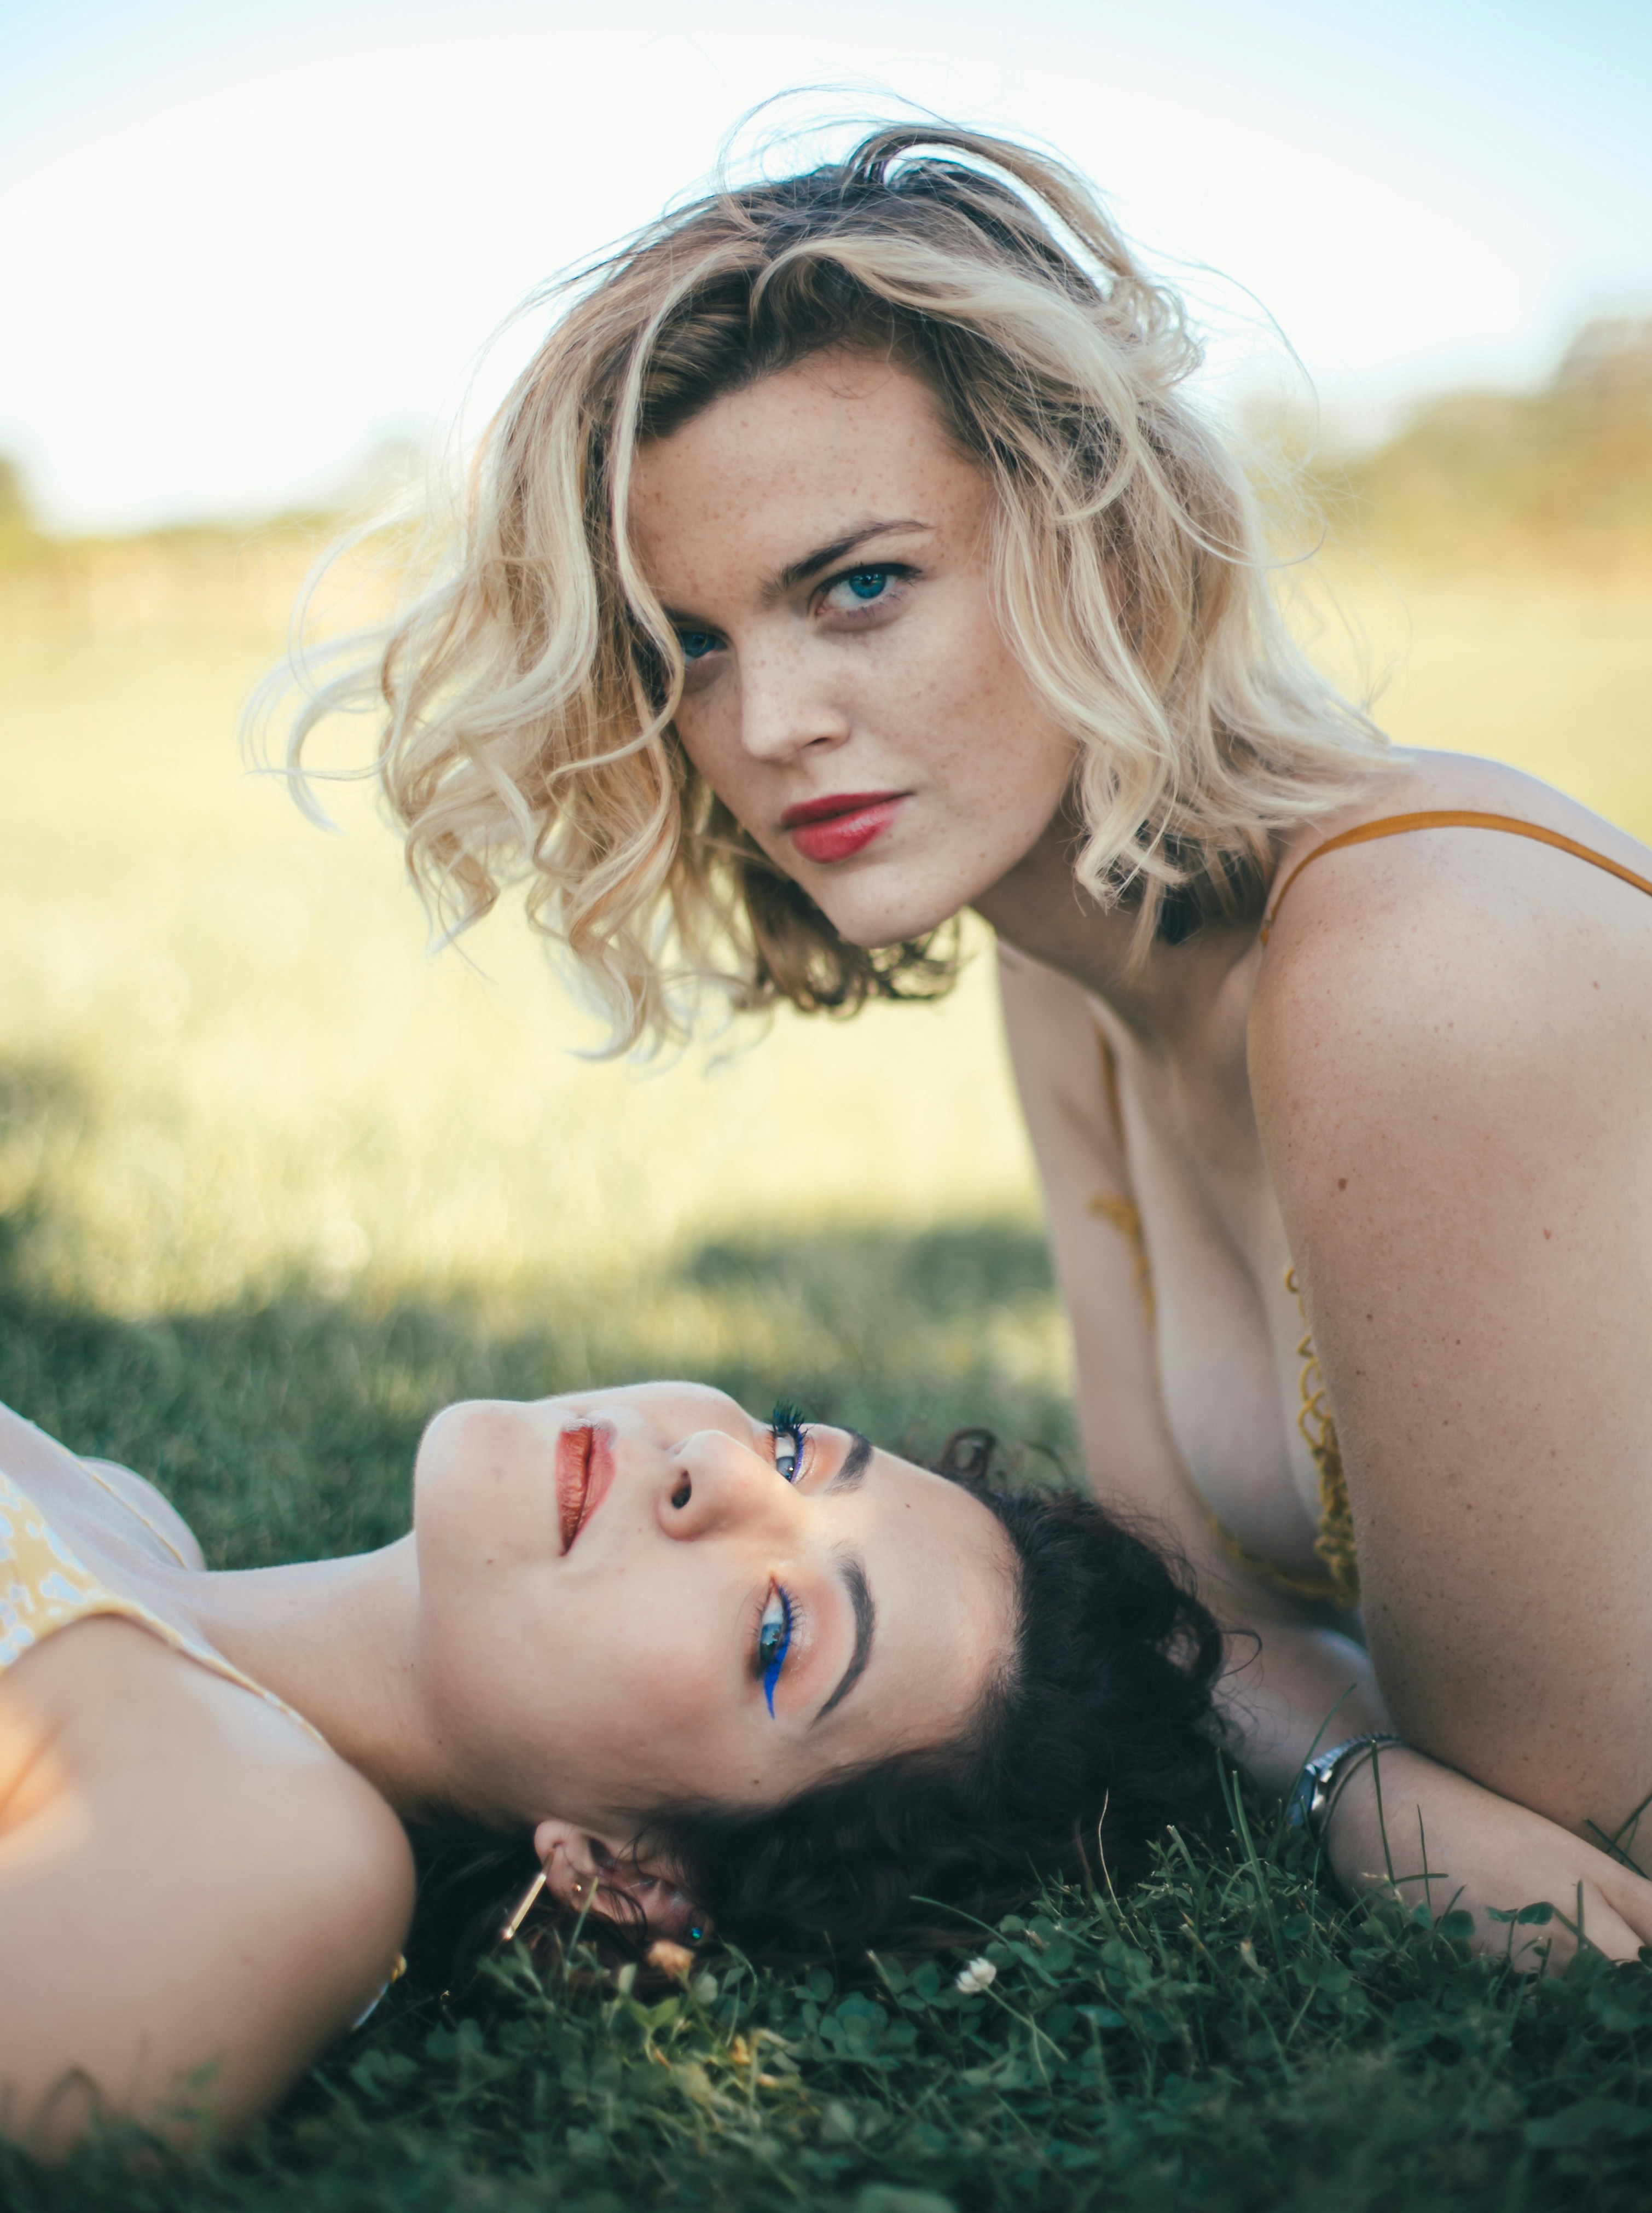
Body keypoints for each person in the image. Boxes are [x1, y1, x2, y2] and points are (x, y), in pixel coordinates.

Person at [288, 119, 1652, 1971]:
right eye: (689, 641)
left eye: (857, 585)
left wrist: (1335, 1764)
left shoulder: (1413, 973)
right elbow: (1188, 1631)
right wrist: (1346, 1763)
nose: (767, 721)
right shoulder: (1071, 967)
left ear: (1095, 532)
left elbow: (1568, 1838)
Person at [0, 1384, 1220, 2152]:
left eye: (778, 1633)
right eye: (794, 1453)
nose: (718, 1469)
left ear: (625, 1877)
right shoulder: (125, 1515)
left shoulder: (287, 1861)